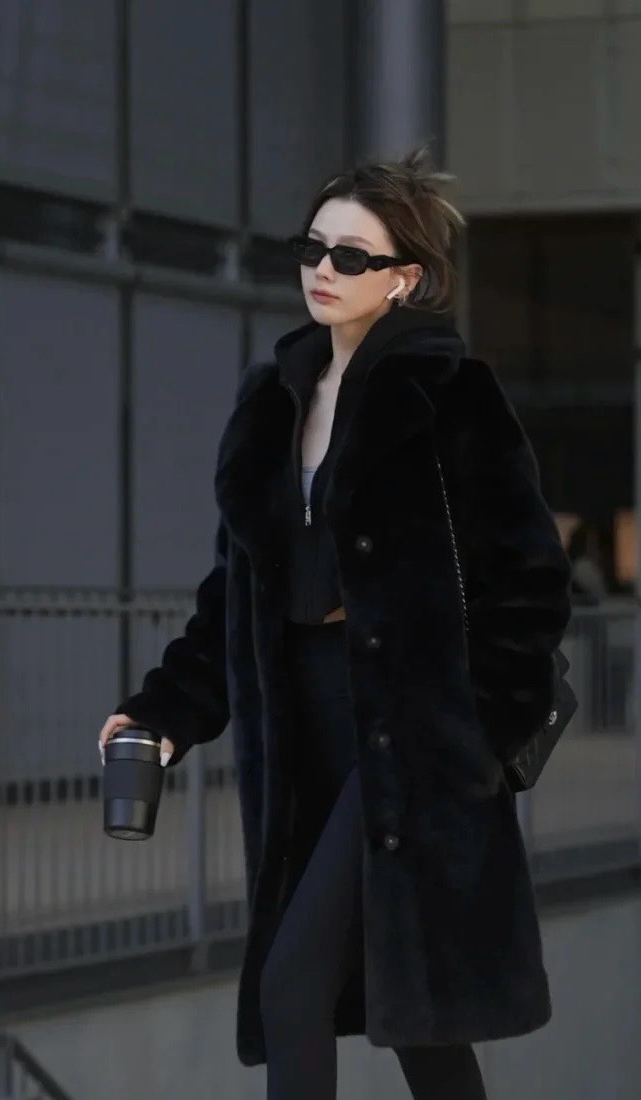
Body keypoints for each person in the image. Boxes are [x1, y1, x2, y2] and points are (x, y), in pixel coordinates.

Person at [98, 149, 572, 1100]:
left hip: (409, 734)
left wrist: (474, 736)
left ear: (405, 278)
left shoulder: (449, 396)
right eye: (312, 248)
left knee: (294, 985)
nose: (322, 269)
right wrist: (163, 713)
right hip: (303, 731)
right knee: (414, 1020)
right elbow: (235, 590)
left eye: (351, 256)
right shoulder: (273, 399)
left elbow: (528, 583)